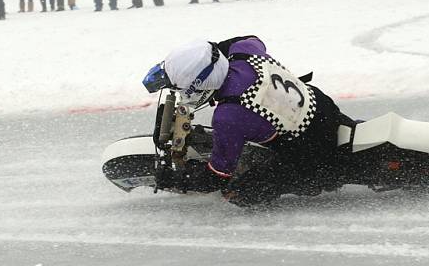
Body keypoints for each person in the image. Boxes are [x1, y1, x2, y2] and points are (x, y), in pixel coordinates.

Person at [142, 36, 358, 206]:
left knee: (238, 191)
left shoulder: (229, 115)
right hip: (322, 106)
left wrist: (175, 180)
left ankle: (311, 179)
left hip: (311, 152)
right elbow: (252, 39)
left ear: (200, 84)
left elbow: (217, 176)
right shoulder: (244, 53)